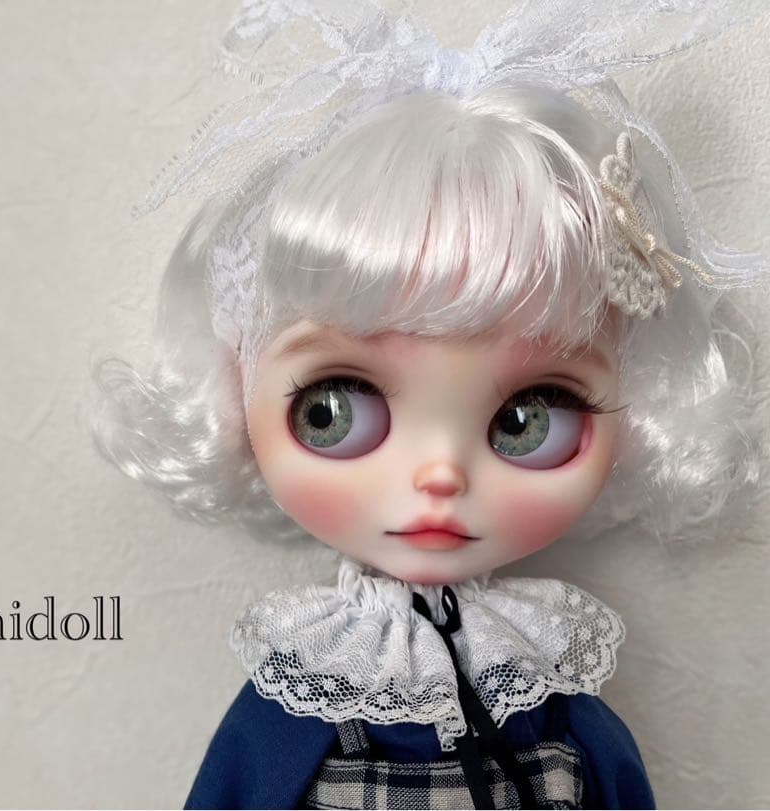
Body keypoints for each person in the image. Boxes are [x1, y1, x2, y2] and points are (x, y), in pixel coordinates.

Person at [91, 1, 769, 807]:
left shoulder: (543, 689)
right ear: (235, 391)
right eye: (333, 408)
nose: (440, 474)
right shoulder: (303, 693)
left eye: (528, 419)